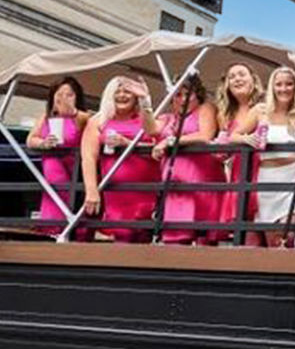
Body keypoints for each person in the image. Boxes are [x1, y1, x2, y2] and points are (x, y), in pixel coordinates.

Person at [238, 56, 295, 247]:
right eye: (279, 84)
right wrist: (245, 138)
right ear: (272, 87)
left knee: (286, 234)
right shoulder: (260, 111)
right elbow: (234, 135)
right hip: (268, 178)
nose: (284, 89)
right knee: (274, 242)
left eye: (289, 84)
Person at [81, 76, 159, 242]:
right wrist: (91, 190)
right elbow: (88, 156)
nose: (122, 95)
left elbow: (155, 140)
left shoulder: (144, 118)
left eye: (127, 92)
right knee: (121, 236)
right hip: (116, 191)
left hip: (146, 191)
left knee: (144, 237)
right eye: (118, 91)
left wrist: (128, 143)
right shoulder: (98, 121)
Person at [151, 73, 221, 245]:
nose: (183, 99)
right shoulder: (167, 118)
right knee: (174, 238)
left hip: (200, 180)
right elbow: (149, 129)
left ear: (197, 95)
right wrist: (144, 102)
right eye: (178, 95)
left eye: (188, 94)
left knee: (204, 239)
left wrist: (170, 141)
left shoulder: (205, 109)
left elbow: (205, 135)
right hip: (174, 185)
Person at [25, 76, 90, 231]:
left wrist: (72, 111)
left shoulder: (81, 117)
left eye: (69, 95)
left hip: (74, 166)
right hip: (52, 164)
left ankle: (64, 226)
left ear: (77, 97)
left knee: (69, 194)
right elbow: (30, 139)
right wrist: (43, 143)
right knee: (52, 179)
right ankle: (52, 227)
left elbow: (94, 124)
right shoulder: (46, 117)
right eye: (59, 94)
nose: (63, 99)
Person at [213, 62, 264, 243]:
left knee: (262, 226)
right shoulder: (224, 114)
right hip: (239, 171)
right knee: (245, 231)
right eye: (231, 76)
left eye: (241, 74)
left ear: (253, 80)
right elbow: (224, 147)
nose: (237, 79)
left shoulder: (264, 106)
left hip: (262, 169)